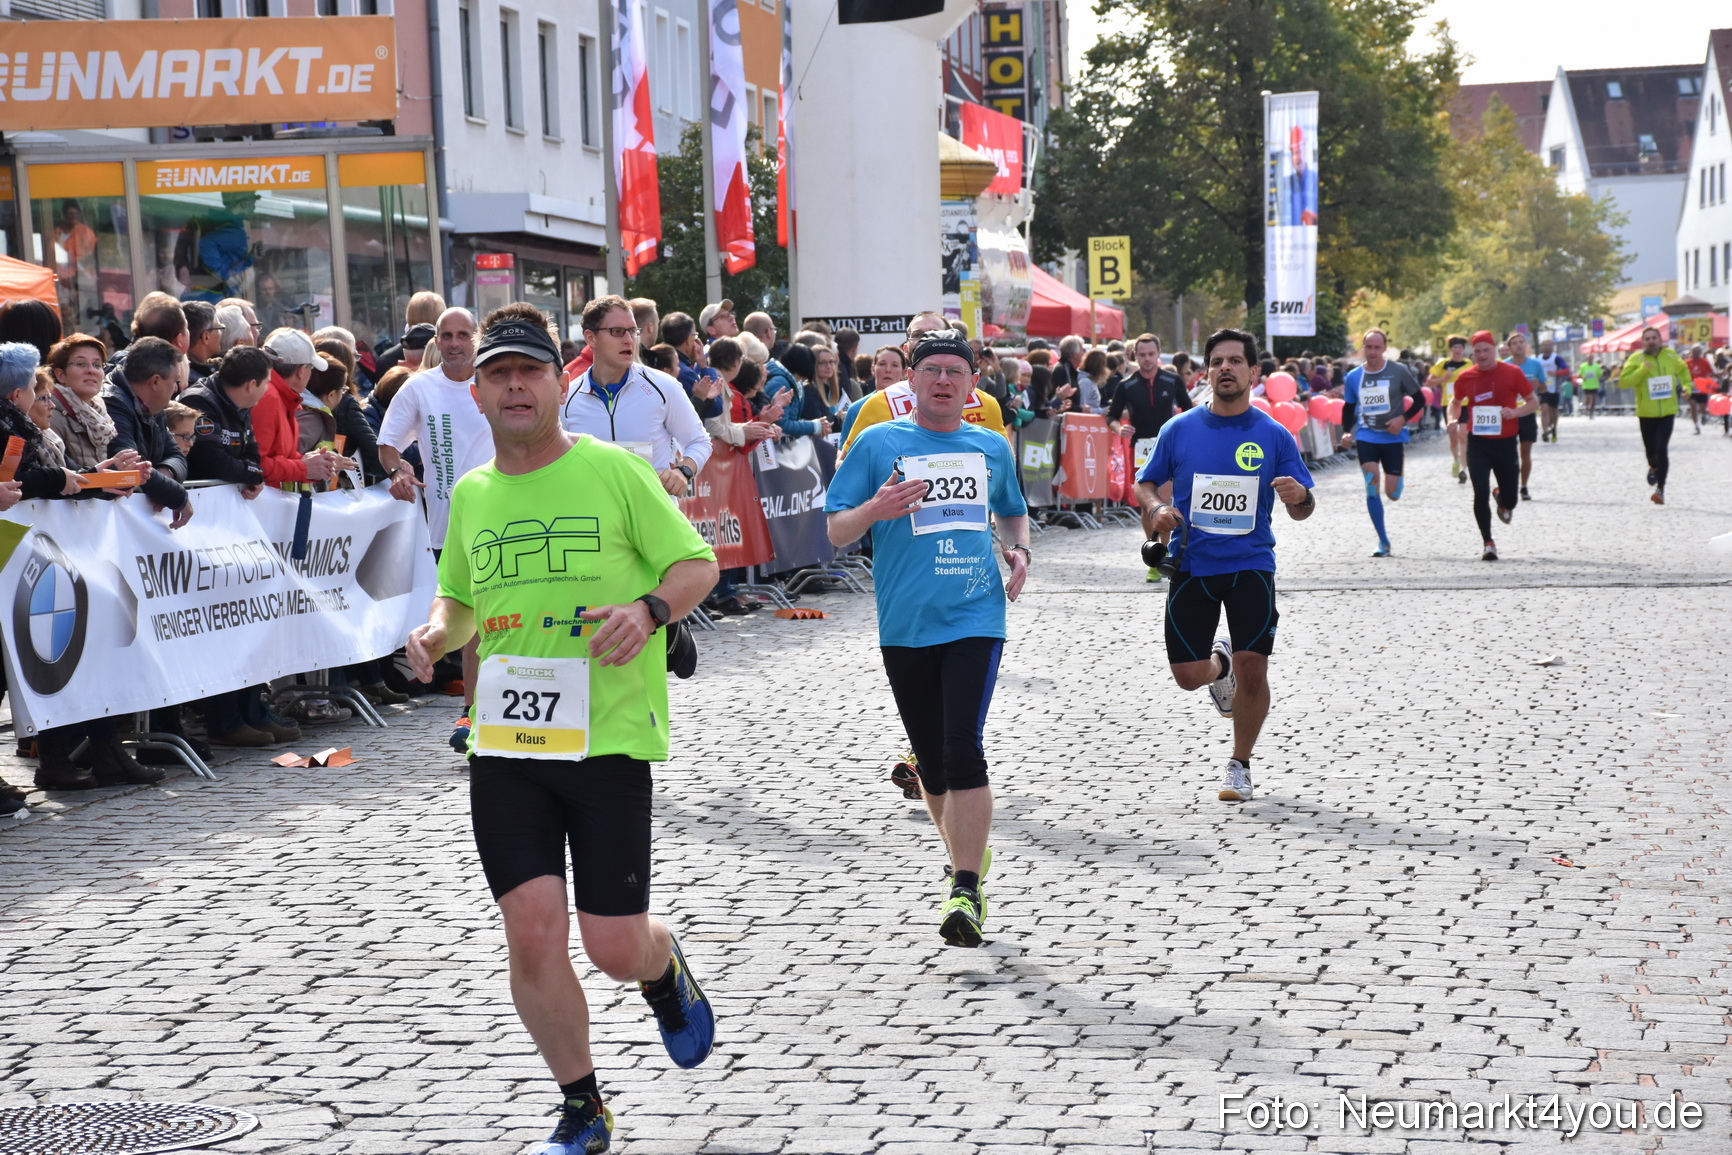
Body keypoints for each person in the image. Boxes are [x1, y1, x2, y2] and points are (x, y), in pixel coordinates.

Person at [404, 303, 719, 1155]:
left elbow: (698, 563)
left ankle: (664, 969)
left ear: (556, 380)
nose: (512, 385)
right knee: (532, 930)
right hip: (505, 742)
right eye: (496, 374)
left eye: (528, 371)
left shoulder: (615, 472)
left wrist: (650, 609)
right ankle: (583, 1106)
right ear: (476, 393)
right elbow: (462, 598)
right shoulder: (472, 494)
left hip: (608, 735)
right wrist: (436, 633)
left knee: (613, 943)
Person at [824, 329, 1029, 946]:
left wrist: (1018, 550)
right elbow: (836, 531)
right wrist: (874, 511)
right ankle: (965, 857)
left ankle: (965, 887)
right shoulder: (876, 440)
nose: (943, 381)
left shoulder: (990, 445)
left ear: (972, 384)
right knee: (932, 767)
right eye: (931, 370)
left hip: (975, 613)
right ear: (909, 380)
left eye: (955, 373)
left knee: (963, 747)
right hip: (905, 622)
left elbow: (1012, 508)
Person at [1135, 327, 1316, 804]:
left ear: (1254, 373)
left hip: (1252, 563)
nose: (1226, 368)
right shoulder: (1180, 429)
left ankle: (1240, 764)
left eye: (1236, 361)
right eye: (1217, 361)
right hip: (1193, 563)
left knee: (1255, 667)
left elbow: (1302, 507)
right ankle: (1220, 666)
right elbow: (1146, 484)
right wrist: (1156, 510)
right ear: (1206, 371)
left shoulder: (1275, 435)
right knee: (1188, 676)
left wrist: (1301, 498)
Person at [379, 306, 492, 742]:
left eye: (463, 335)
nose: (455, 343)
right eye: (447, 335)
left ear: (476, 339)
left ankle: (487, 709)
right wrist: (397, 472)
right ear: (436, 341)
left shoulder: (494, 380)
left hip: (504, 516)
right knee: (471, 620)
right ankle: (473, 712)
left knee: (493, 620)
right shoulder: (420, 388)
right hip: (448, 525)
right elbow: (388, 444)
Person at [560, 295, 713, 498]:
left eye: (632, 331)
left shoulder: (663, 386)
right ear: (590, 338)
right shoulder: (567, 398)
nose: (628, 339)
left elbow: (699, 441)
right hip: (595, 521)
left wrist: (683, 471)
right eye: (617, 332)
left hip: (654, 517)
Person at [840, 313, 1006, 454]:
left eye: (936, 333)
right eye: (918, 335)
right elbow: (847, 467)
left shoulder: (986, 404)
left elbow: (1003, 462)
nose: (927, 339)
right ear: (906, 349)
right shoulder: (877, 404)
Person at [1108, 333, 1194, 581]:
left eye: (1151, 354)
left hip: (1168, 447)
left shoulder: (1172, 380)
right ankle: (1154, 552)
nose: (1146, 359)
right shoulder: (1126, 385)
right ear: (1135, 355)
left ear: (1158, 354)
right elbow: (1111, 416)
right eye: (1142, 355)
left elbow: (1189, 410)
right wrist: (1118, 428)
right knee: (1148, 505)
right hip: (1142, 449)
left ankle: (1165, 554)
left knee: (1163, 499)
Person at [1448, 330, 1537, 559]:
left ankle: (1502, 498)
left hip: (1506, 443)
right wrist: (1452, 419)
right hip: (1478, 444)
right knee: (1479, 492)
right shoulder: (1466, 377)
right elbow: (1455, 402)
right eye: (1477, 351)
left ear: (1494, 350)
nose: (1482, 355)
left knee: (1512, 500)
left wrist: (1515, 412)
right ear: (1473, 353)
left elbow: (1533, 401)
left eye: (1486, 350)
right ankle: (1488, 542)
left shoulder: (1512, 372)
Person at [1340, 329, 1425, 557]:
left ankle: (1397, 480)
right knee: (1370, 483)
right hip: (1367, 435)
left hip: (1393, 437)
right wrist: (1347, 432)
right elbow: (1348, 407)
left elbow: (1420, 399)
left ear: (1384, 348)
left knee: (1393, 493)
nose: (1373, 352)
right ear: (1363, 348)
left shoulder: (1398, 371)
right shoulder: (1354, 376)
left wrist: (1403, 419)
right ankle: (1383, 541)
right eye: (1369, 347)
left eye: (1377, 347)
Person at [1616, 326, 1687, 505]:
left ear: (1660, 340)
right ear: (1643, 342)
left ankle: (1660, 490)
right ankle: (1653, 466)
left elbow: (1683, 371)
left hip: (1667, 412)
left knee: (1662, 449)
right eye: (1647, 338)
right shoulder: (1636, 358)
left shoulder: (1670, 356)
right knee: (1651, 452)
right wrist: (1642, 370)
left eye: (1654, 337)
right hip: (1646, 413)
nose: (1651, 341)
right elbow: (1624, 382)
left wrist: (1687, 387)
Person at [1503, 332, 1545, 500]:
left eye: (1521, 342)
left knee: (1525, 453)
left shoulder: (1535, 364)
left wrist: (1538, 385)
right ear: (1509, 347)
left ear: (1526, 345)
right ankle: (1509, 485)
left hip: (1527, 413)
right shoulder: (1503, 366)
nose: (1519, 345)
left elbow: (1544, 388)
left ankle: (1524, 486)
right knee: (1508, 454)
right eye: (1515, 343)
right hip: (1508, 414)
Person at [1426, 336, 1472, 482]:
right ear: (1450, 349)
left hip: (1465, 403)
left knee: (1463, 435)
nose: (1457, 350)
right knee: (1453, 437)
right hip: (1449, 404)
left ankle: (1463, 469)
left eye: (1460, 347)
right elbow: (1428, 383)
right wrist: (1443, 379)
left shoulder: (1468, 363)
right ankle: (1456, 459)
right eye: (1454, 347)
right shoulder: (1443, 363)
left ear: (1463, 349)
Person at [1685, 344, 1714, 434]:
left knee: (1702, 407)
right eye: (1694, 351)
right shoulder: (1687, 362)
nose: (1696, 353)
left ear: (1700, 352)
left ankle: (1704, 415)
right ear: (1691, 352)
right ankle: (1696, 426)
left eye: (1698, 351)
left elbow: (1711, 372)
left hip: (1702, 388)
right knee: (1693, 405)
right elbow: (1682, 373)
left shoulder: (1704, 362)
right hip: (1692, 387)